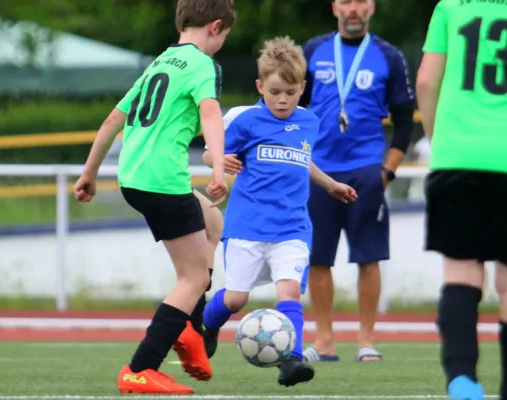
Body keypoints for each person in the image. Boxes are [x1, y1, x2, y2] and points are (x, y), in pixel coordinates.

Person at [72, 0, 236, 394]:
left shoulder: (161, 62)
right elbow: (211, 113)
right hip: (162, 180)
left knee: (213, 220)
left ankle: (190, 330)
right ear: (216, 27)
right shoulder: (202, 66)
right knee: (194, 276)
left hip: (133, 177)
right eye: (225, 37)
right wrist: (217, 169)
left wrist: (89, 174)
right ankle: (141, 368)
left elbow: (114, 119)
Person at [200, 36, 357, 386]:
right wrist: (218, 160)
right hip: (247, 226)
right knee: (237, 298)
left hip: (292, 228)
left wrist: (330, 184)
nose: (282, 99)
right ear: (260, 86)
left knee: (289, 292)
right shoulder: (246, 120)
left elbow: (302, 161)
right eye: (274, 92)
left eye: (290, 91)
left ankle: (292, 361)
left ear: (302, 87)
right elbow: (211, 152)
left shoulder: (309, 122)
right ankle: (205, 324)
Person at [416, 0, 507, 399]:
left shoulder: (451, 6)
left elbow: (426, 81)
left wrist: (440, 142)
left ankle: (461, 379)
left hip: (459, 155)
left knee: (460, 274)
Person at [298, 0, 416, 362]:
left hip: (366, 172)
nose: (353, 9)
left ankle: (366, 340)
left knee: (369, 257)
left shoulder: (388, 56)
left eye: (360, 2)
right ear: (334, 6)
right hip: (318, 171)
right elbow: (292, 106)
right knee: (318, 259)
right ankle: (325, 340)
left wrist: (387, 172)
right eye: (346, 1)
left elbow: (405, 120)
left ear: (372, 7)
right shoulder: (313, 51)